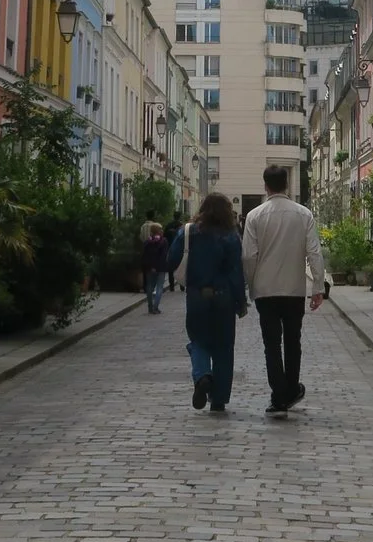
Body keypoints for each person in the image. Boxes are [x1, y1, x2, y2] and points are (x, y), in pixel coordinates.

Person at [241, 164, 327, 415]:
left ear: (265, 185)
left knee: (271, 344)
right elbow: (314, 252)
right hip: (293, 289)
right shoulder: (303, 214)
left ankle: (279, 393)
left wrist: (252, 283)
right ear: (287, 184)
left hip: (266, 290)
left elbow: (248, 256)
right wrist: (318, 287)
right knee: (293, 340)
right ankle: (290, 389)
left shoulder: (255, 216)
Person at [165, 195, 246, 412]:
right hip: (224, 296)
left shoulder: (189, 232)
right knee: (224, 347)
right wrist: (241, 301)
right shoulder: (231, 236)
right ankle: (218, 399)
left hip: (197, 295)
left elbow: (171, 260)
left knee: (198, 339)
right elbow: (237, 271)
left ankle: (202, 376)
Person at [140, 222, 170, 313]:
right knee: (159, 287)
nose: (162, 230)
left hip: (149, 268)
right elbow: (163, 256)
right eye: (160, 229)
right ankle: (155, 307)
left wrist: (150, 266)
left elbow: (145, 256)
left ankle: (150, 307)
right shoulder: (163, 241)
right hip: (160, 268)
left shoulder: (147, 242)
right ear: (158, 231)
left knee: (149, 287)